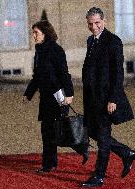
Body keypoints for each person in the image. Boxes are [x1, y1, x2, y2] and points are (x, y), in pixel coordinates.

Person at [81, 7, 135, 187]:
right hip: (91, 98)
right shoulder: (90, 40)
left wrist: (113, 98)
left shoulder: (114, 41)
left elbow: (118, 73)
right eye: (90, 24)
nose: (94, 27)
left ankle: (99, 175)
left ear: (104, 21)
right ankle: (126, 153)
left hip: (106, 98)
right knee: (92, 132)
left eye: (97, 23)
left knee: (103, 137)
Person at [23, 20, 88, 173]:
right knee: (49, 131)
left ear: (45, 34)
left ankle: (76, 150)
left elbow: (64, 74)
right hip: (46, 98)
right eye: (33, 33)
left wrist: (70, 94)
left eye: (36, 33)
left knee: (60, 130)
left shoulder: (56, 50)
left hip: (58, 97)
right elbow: (37, 76)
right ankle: (51, 163)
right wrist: (28, 94)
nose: (33, 36)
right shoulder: (39, 51)